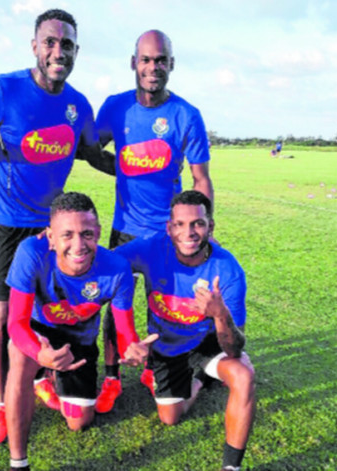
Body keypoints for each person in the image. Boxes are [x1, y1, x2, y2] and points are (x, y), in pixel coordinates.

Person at [0, 9, 101, 446]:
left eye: (66, 44)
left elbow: (93, 153)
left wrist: (144, 171)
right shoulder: (1, 88)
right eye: (50, 42)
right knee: (3, 314)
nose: (58, 51)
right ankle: (1, 403)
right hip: (7, 223)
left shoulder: (78, 105)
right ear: (34, 46)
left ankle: (39, 378)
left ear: (75, 52)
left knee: (46, 308)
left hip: (52, 227)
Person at [89, 30, 215, 413]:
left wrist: (202, 227)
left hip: (170, 233)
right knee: (114, 304)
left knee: (163, 304)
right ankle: (111, 377)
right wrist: (122, 169)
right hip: (126, 226)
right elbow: (91, 149)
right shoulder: (115, 108)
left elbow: (201, 179)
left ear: (171, 65)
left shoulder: (186, 115)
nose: (152, 67)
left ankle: (156, 366)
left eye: (160, 60)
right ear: (133, 63)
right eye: (145, 59)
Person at [4, 192, 154, 471]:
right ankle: (18, 462)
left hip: (79, 344)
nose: (78, 244)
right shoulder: (31, 252)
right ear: (50, 236)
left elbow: (124, 329)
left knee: (79, 422)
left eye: (86, 234)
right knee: (19, 357)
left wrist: (132, 347)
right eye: (67, 235)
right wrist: (40, 353)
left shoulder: (118, 269)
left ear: (97, 232)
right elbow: (16, 323)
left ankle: (49, 375)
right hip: (40, 334)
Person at [114, 190, 255, 471]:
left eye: (198, 224)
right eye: (180, 224)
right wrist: (53, 245)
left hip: (207, 340)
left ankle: (231, 467)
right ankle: (201, 379)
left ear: (210, 226)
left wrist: (219, 313)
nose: (188, 232)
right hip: (165, 343)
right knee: (170, 417)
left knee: (243, 373)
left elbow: (234, 348)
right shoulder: (151, 248)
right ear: (169, 227)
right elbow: (104, 262)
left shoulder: (228, 269)